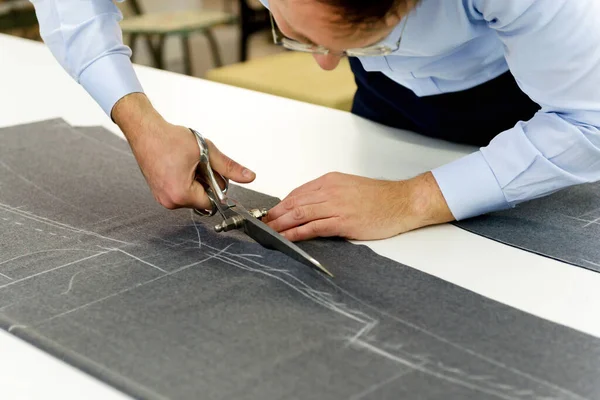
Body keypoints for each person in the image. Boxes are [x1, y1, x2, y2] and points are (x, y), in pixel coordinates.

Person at [29, 0, 600, 243]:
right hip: (387, 111)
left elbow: (588, 119)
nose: (325, 63)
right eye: (295, 36)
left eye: (344, 41)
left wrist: (417, 199)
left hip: (528, 104)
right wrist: (140, 119)